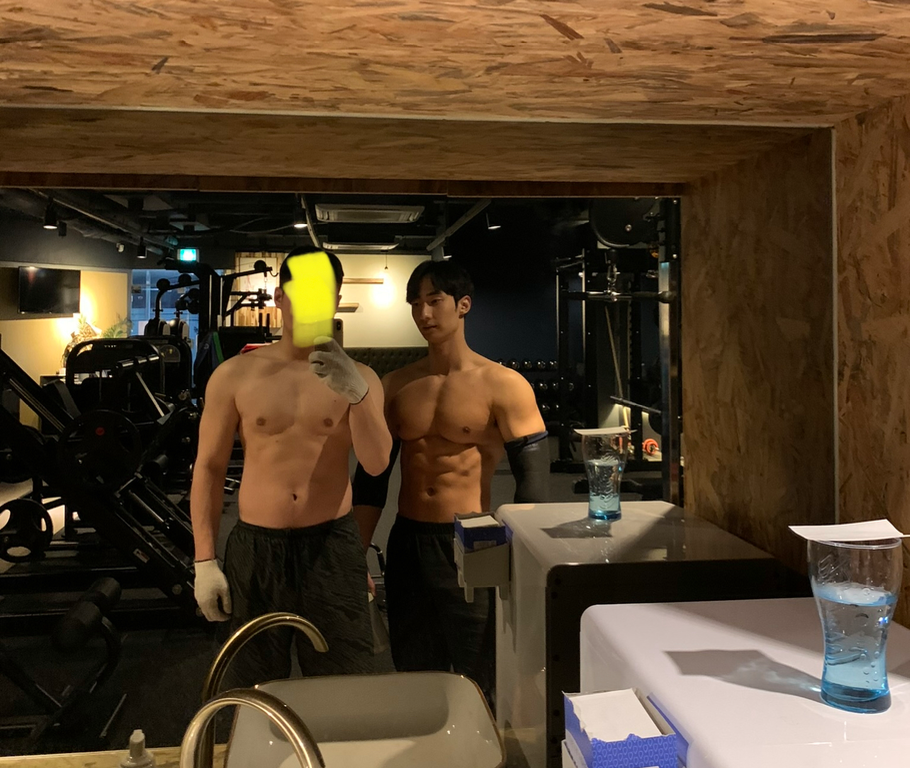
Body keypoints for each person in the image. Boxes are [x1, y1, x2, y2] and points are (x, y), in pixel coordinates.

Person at [191, 247, 392, 688]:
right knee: (253, 685)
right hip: (256, 546)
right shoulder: (234, 375)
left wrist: (358, 396)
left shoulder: (361, 378)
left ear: (336, 300)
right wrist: (204, 559)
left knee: (344, 685)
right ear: (280, 298)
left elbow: (377, 464)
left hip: (332, 544)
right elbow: (208, 468)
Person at [352, 259, 549, 706]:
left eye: (434, 301)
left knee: (481, 667)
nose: (423, 313)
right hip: (408, 541)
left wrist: (523, 560)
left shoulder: (504, 384)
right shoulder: (396, 385)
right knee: (414, 664)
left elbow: (533, 484)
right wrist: (355, 553)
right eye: (415, 304)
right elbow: (371, 480)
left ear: (463, 305)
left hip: (471, 539)